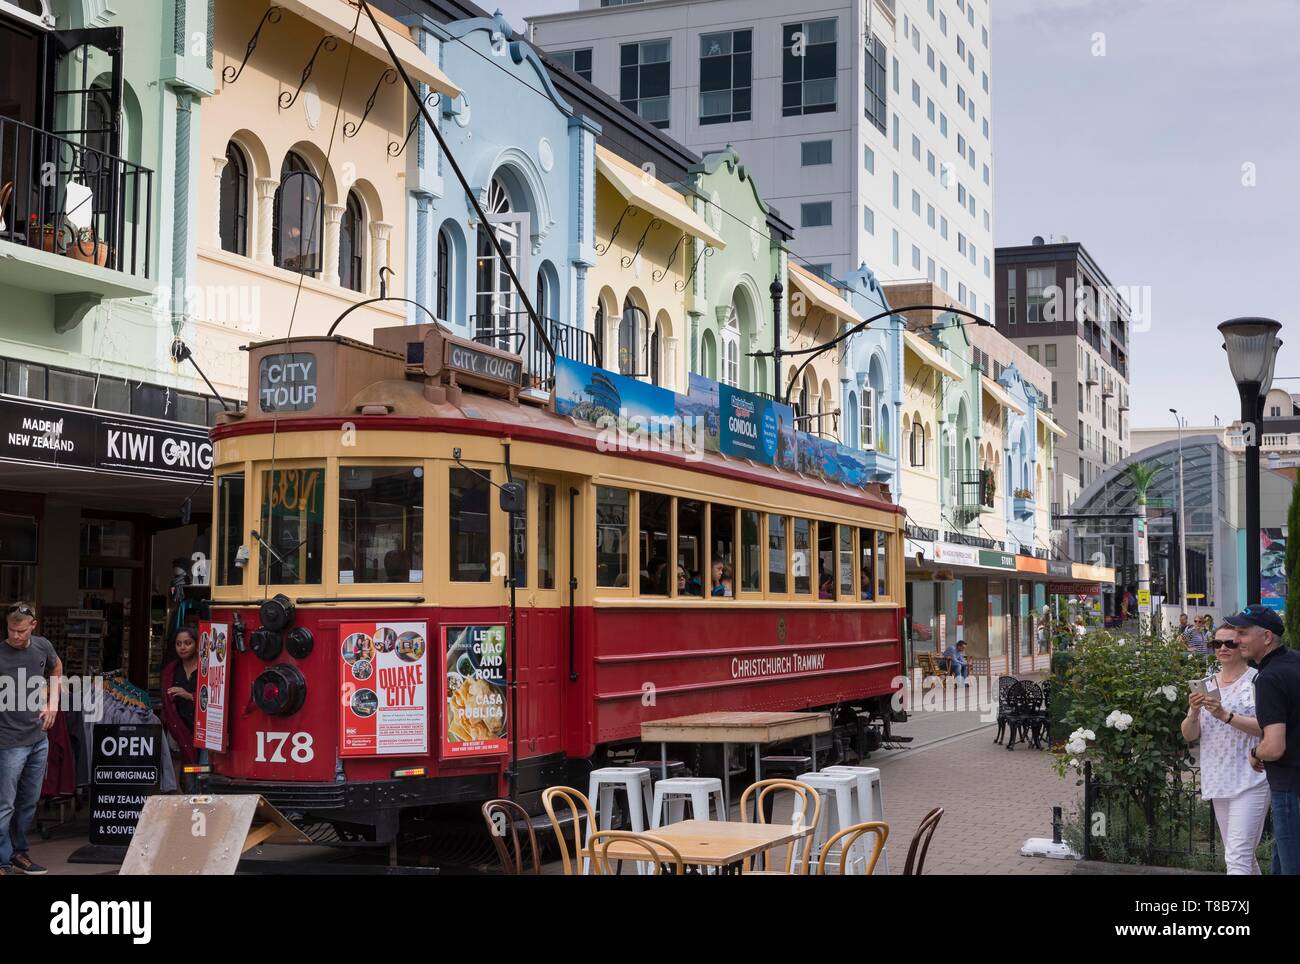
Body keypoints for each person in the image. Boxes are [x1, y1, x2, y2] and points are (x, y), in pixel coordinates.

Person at [1180, 622, 1269, 874]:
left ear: (1242, 645)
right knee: (1242, 856)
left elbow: (1266, 727)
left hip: (1251, 777)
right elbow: (1189, 734)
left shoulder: (1257, 680)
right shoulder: (1207, 682)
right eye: (1216, 643)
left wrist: (1225, 715)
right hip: (1218, 778)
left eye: (1229, 643)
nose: (1223, 648)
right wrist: (1194, 712)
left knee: (1237, 858)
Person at [1230, 605, 1300, 875]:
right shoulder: (1295, 662)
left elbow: (1274, 746)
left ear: (1267, 637)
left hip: (1289, 788)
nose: (1236, 641)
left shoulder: (1269, 678)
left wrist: (1256, 753)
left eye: (1243, 633)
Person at [0, 602, 60, 875]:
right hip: (8, 740)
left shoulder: (42, 646)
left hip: (38, 737)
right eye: (12, 630)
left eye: (21, 630)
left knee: (28, 801)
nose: (15, 636)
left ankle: (18, 852)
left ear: (33, 626)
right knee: (5, 804)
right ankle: (2, 859)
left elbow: (56, 668)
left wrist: (53, 703)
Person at [161, 625, 200, 783]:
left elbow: (214, 697)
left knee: (201, 771)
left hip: (202, 731)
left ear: (197, 645)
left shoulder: (207, 668)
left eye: (188, 643)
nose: (183, 647)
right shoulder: (171, 670)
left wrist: (191, 696)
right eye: (179, 644)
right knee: (183, 772)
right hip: (178, 730)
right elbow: (166, 701)